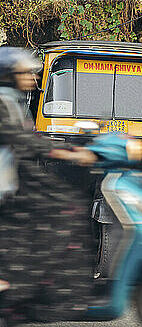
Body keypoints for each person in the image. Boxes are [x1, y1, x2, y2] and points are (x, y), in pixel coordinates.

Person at [0, 47, 98, 326]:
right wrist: (67, 153)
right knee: (63, 212)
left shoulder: (13, 101)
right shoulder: (3, 102)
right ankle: (23, 288)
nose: (32, 77)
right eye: (25, 72)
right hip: (9, 183)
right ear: (9, 76)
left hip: (18, 176)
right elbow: (22, 142)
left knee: (67, 205)